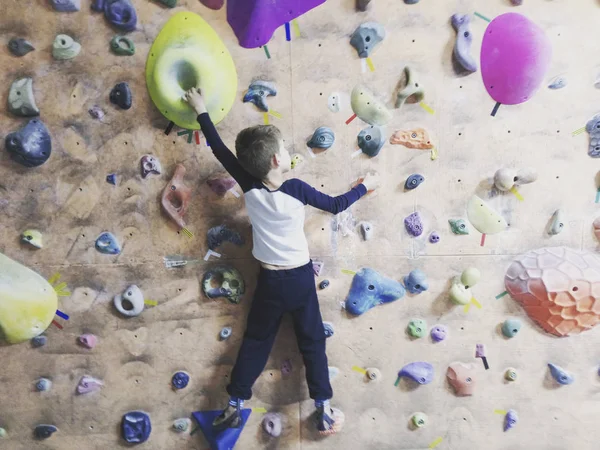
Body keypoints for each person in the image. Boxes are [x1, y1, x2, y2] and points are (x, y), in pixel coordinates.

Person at [183, 87, 380, 435]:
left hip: (271, 283)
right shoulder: (297, 189)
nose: (288, 154)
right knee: (312, 341)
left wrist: (201, 109)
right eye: (285, 151)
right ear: (277, 161)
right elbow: (335, 205)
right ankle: (323, 404)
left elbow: (220, 149)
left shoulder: (250, 185)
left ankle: (234, 403)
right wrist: (365, 186)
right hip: (301, 281)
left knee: (256, 341)